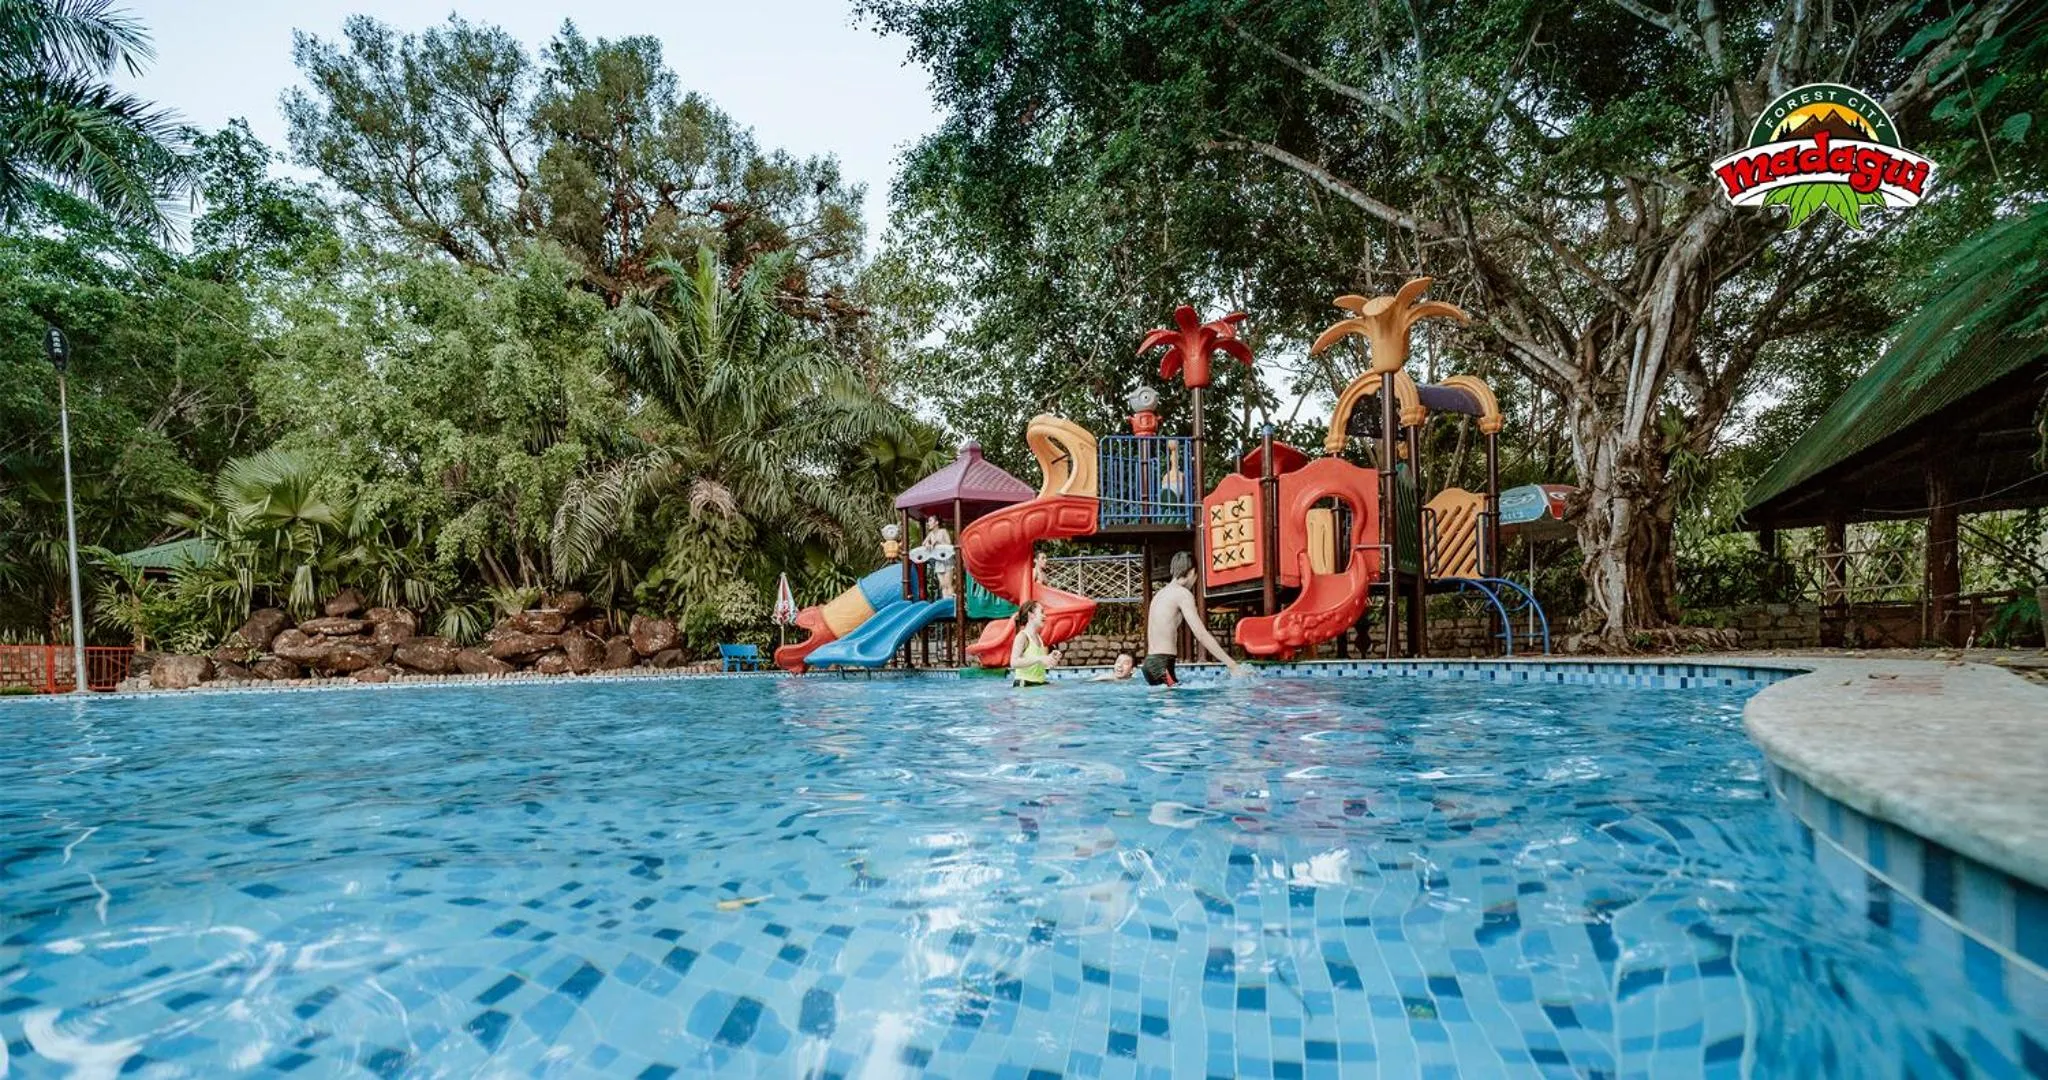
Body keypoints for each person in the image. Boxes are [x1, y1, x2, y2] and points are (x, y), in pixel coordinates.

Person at [1143, 551, 1247, 685]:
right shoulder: (1182, 593)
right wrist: (1232, 665)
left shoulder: (1159, 594)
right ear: (1192, 572)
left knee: (1172, 702)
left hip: (1151, 662)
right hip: (1161, 665)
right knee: (1174, 704)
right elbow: (1201, 634)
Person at [1008, 599, 1061, 687]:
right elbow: (1014, 662)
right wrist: (1039, 658)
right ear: (1031, 615)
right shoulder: (1022, 637)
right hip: (1025, 685)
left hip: (1038, 685)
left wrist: (1051, 658)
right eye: (1042, 612)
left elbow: (1041, 664)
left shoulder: (1039, 638)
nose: (1044, 616)